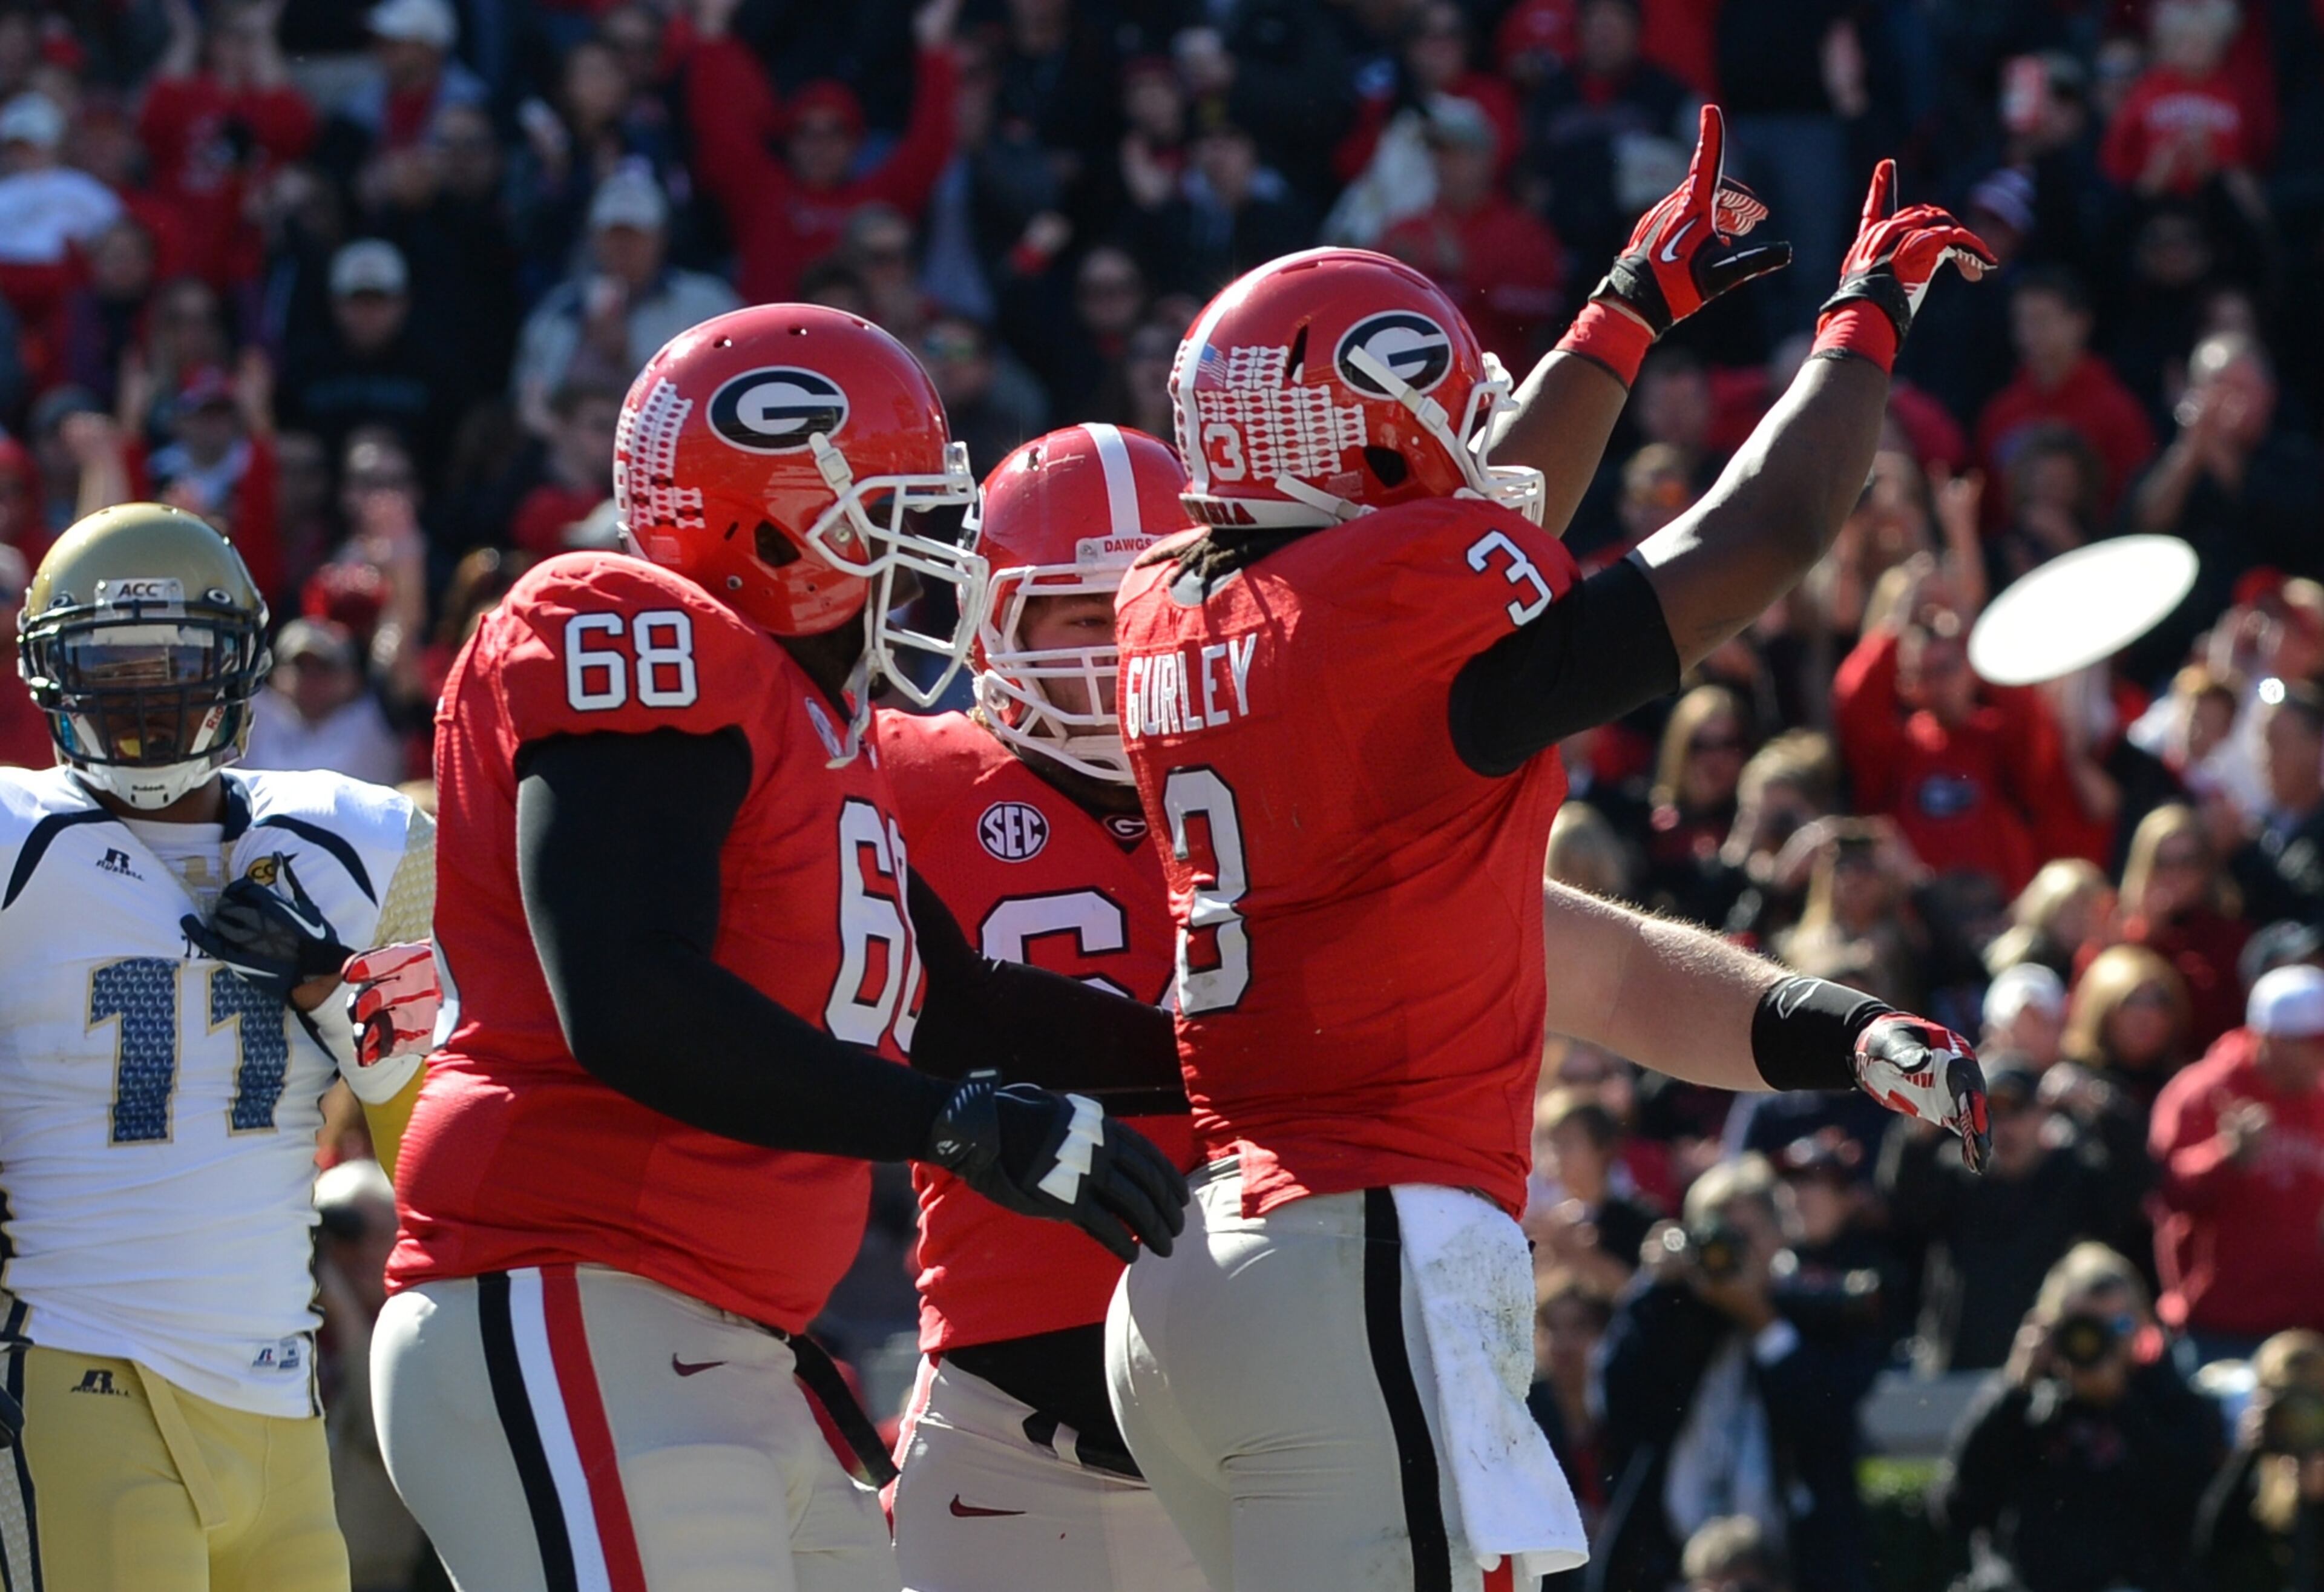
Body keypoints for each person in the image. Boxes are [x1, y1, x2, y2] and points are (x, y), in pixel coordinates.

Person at [1105, 110, 1994, 1590]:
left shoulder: (1184, 607)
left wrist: (1626, 312)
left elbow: (1605, 964)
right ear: (1369, 439)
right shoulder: (1391, 634)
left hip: (1215, 1277)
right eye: (1433, 411)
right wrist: (1863, 324)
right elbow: (1767, 531)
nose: (1469, 435)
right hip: (1361, 1263)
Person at [369, 305, 1188, 1591]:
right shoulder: (635, 621)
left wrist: (1237, 1063)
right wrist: (953, 1122)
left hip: (724, 1342)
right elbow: (628, 991)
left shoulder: (812, 726)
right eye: (894, 509)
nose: (922, 554)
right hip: (575, 1289)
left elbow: (957, 1008)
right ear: (772, 511)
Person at [0, 502, 434, 1590]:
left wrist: (330, 987)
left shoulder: (354, 841)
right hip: (77, 1369)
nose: (146, 701)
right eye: (113, 671)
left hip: (279, 1398)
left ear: (239, 668)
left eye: (176, 668)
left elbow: (430, 1144)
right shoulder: (16, 842)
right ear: (51, 679)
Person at [879, 424, 1204, 1591]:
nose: (1116, 645)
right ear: (992, 622)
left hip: (1267, 1405)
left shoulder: (1272, 762)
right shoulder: (901, 775)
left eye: (1143, 598)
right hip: (1001, 1409)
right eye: (1078, 613)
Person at [1595, 1156, 1883, 1592]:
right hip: (1672, 1568)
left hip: (1792, 1569)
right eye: (1718, 1238)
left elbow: (1824, 1420)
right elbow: (1615, 1400)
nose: (1731, 1254)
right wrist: (1654, 1287)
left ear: (1780, 1234)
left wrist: (1761, 1320)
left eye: (1745, 1236)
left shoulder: (1821, 1314)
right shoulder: (1671, 1316)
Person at [1936, 1243, 2221, 1592]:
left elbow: (2189, 1510)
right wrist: (2014, 1389)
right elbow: (1958, 1509)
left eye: (2117, 1324)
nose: (2099, 1342)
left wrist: (2121, 1405)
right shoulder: (2026, 1408)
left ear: (2144, 1324)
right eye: (2085, 1326)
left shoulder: (2172, 1403)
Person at [1881, 1059, 2141, 1373]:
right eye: (1988, 1113)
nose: (2003, 1128)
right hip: (1957, 1372)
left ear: (2043, 1114)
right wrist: (1920, 1126)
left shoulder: (2071, 1177)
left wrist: (2099, 1104)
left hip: (2049, 1372)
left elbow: (2132, 1185)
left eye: (2016, 1111)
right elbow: (1900, 1202)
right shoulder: (1955, 1180)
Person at [2149, 964, 2324, 1361]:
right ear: (2270, 1040)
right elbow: (2161, 1195)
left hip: (2309, 1332)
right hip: (2221, 1332)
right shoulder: (2202, 1093)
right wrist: (2225, 1158)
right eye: (2313, 1045)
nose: (2320, 1058)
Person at [508, 169, 739, 436]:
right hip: (569, 466)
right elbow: (527, 400)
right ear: (594, 239)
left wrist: (626, 357)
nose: (623, 247)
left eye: (635, 235)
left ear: (660, 237)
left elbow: (726, 395)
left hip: (676, 452)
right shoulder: (558, 312)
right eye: (613, 235)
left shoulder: (707, 304)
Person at [2190, 1328, 2324, 1592]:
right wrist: (2248, 1455)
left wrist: (2314, 1506)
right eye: (2287, 1400)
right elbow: (2210, 1552)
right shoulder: (2256, 1472)